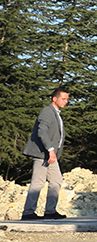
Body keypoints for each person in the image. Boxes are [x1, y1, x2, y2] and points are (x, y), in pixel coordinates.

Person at [20, 88, 70, 220]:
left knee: (56, 180)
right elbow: (42, 132)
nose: (66, 101)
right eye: (63, 99)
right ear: (55, 99)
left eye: (67, 99)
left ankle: (50, 211)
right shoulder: (47, 112)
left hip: (50, 155)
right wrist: (50, 149)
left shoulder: (56, 113)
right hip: (42, 154)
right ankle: (28, 212)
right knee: (38, 182)